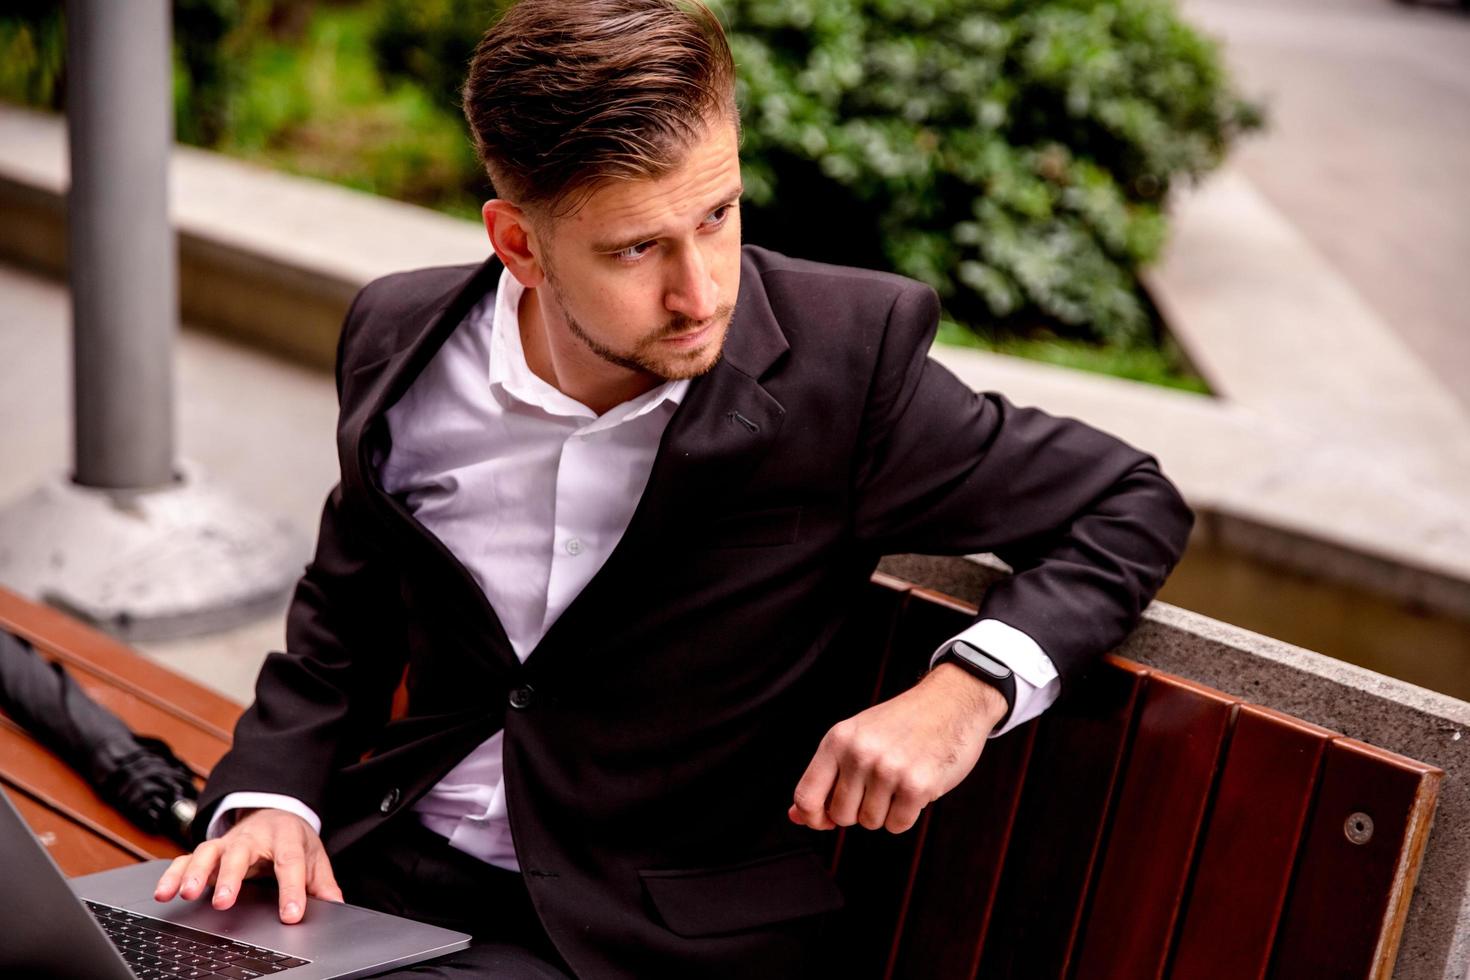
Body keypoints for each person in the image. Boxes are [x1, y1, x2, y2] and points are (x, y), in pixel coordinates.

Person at [152, 1, 1195, 977]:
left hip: (645, 935)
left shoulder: (844, 365)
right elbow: (346, 607)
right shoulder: (398, 337)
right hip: (370, 868)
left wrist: (966, 691)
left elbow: (1128, 500)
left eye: (718, 213)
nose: (701, 292)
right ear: (519, 242)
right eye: (638, 247)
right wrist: (272, 795)